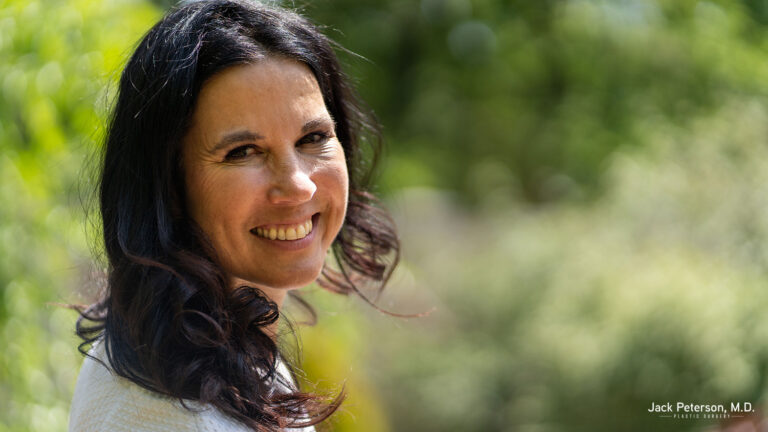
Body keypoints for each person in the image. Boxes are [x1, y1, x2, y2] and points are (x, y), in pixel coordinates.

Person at [68, 1, 399, 431]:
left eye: (313, 137)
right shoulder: (169, 412)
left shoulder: (217, 352)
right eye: (243, 152)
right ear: (167, 184)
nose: (299, 184)